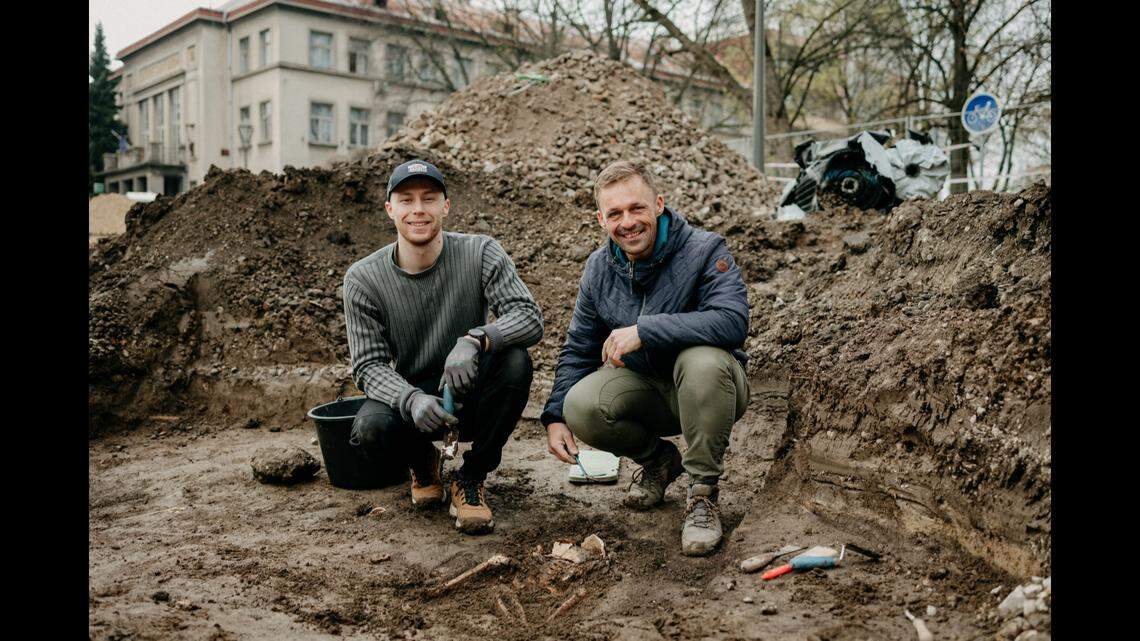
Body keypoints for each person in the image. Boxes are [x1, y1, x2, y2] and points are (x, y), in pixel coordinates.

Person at [540, 160, 750, 556]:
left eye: (637, 208)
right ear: (601, 220)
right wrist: (554, 417)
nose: (628, 222)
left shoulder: (705, 250)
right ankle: (660, 462)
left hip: (712, 389)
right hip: (649, 390)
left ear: (658, 204)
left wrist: (645, 330)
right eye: (615, 213)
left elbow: (732, 321)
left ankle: (702, 493)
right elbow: (579, 348)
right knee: (580, 405)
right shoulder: (599, 269)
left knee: (702, 361)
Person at [343, 159, 543, 534]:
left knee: (516, 362)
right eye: (406, 200)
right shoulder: (363, 278)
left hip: (469, 392)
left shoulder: (481, 253)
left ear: (445, 206)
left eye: (429, 198)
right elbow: (368, 366)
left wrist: (475, 339)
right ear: (390, 209)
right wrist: (410, 400)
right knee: (369, 430)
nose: (418, 209)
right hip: (414, 404)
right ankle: (424, 463)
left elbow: (529, 317)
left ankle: (471, 477)